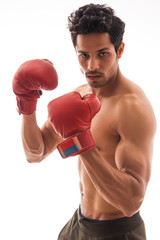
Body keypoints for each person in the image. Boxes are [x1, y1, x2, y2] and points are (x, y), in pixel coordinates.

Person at [12, 3, 157, 240]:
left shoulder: (132, 108)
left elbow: (131, 201)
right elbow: (35, 153)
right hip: (79, 223)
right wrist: (26, 102)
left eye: (103, 54)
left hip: (116, 232)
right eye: (84, 55)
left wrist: (82, 140)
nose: (92, 66)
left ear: (119, 50)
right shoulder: (80, 97)